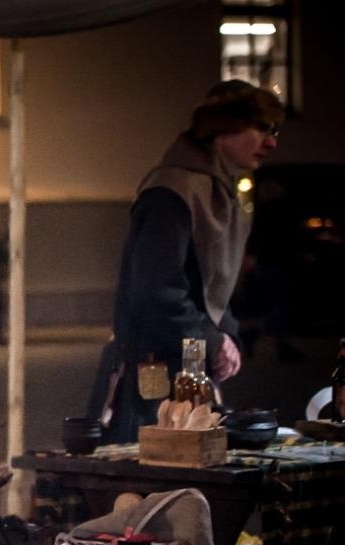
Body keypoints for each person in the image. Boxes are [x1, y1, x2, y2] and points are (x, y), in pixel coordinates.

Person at [90, 79, 282, 442]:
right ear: (221, 127)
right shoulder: (172, 191)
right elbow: (154, 292)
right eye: (259, 128)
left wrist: (223, 334)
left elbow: (208, 290)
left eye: (273, 130)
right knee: (148, 492)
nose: (271, 142)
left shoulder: (216, 190)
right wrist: (212, 338)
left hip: (187, 378)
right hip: (151, 384)